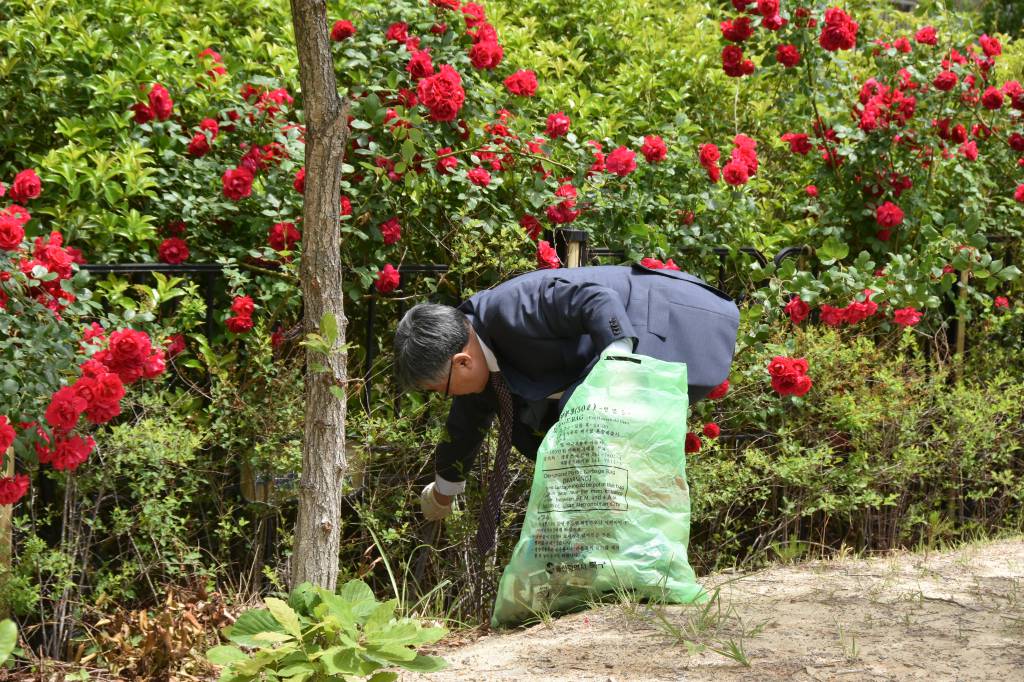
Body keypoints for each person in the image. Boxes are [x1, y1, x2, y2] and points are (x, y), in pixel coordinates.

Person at [393, 262, 740, 521]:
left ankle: (638, 564)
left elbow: (597, 299)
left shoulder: (510, 308)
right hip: (625, 354)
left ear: (462, 362)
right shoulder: (475, 355)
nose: (450, 397)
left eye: (443, 390)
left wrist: (616, 359)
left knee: (604, 441)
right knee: (587, 446)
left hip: (667, 323)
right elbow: (464, 427)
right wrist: (443, 491)